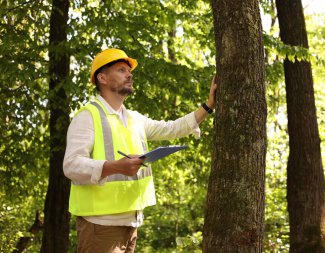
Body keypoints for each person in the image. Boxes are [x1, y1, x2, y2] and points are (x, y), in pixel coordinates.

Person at [63, 48, 216, 253]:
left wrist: (208, 106)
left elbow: (172, 128)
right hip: (101, 226)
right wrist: (114, 167)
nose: (129, 74)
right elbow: (71, 165)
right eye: (121, 70)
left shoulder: (134, 118)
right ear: (103, 78)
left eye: (129, 70)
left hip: (131, 224)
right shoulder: (87, 116)